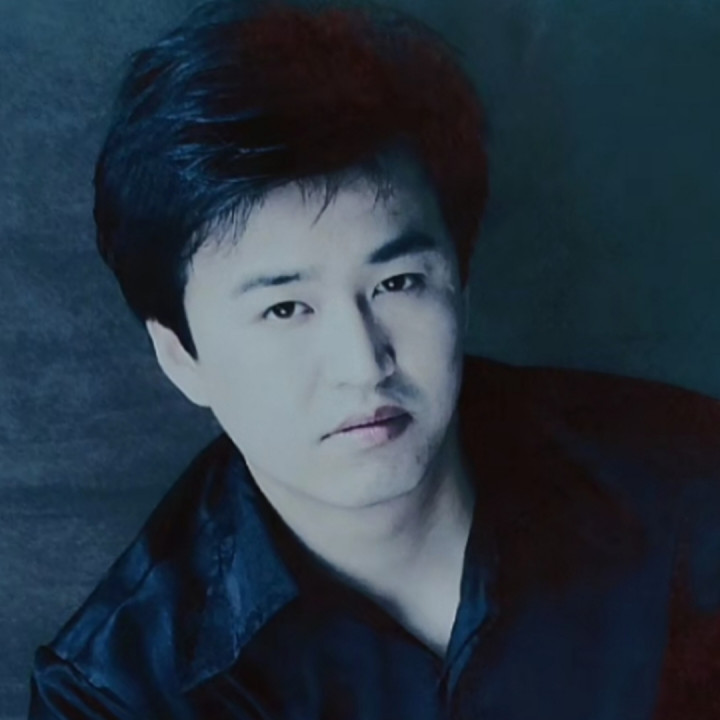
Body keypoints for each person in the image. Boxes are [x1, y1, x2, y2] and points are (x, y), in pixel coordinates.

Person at [28, 1, 720, 718]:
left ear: (461, 283)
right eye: (285, 309)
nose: (363, 364)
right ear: (181, 357)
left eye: (397, 283)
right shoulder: (116, 696)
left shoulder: (689, 483)